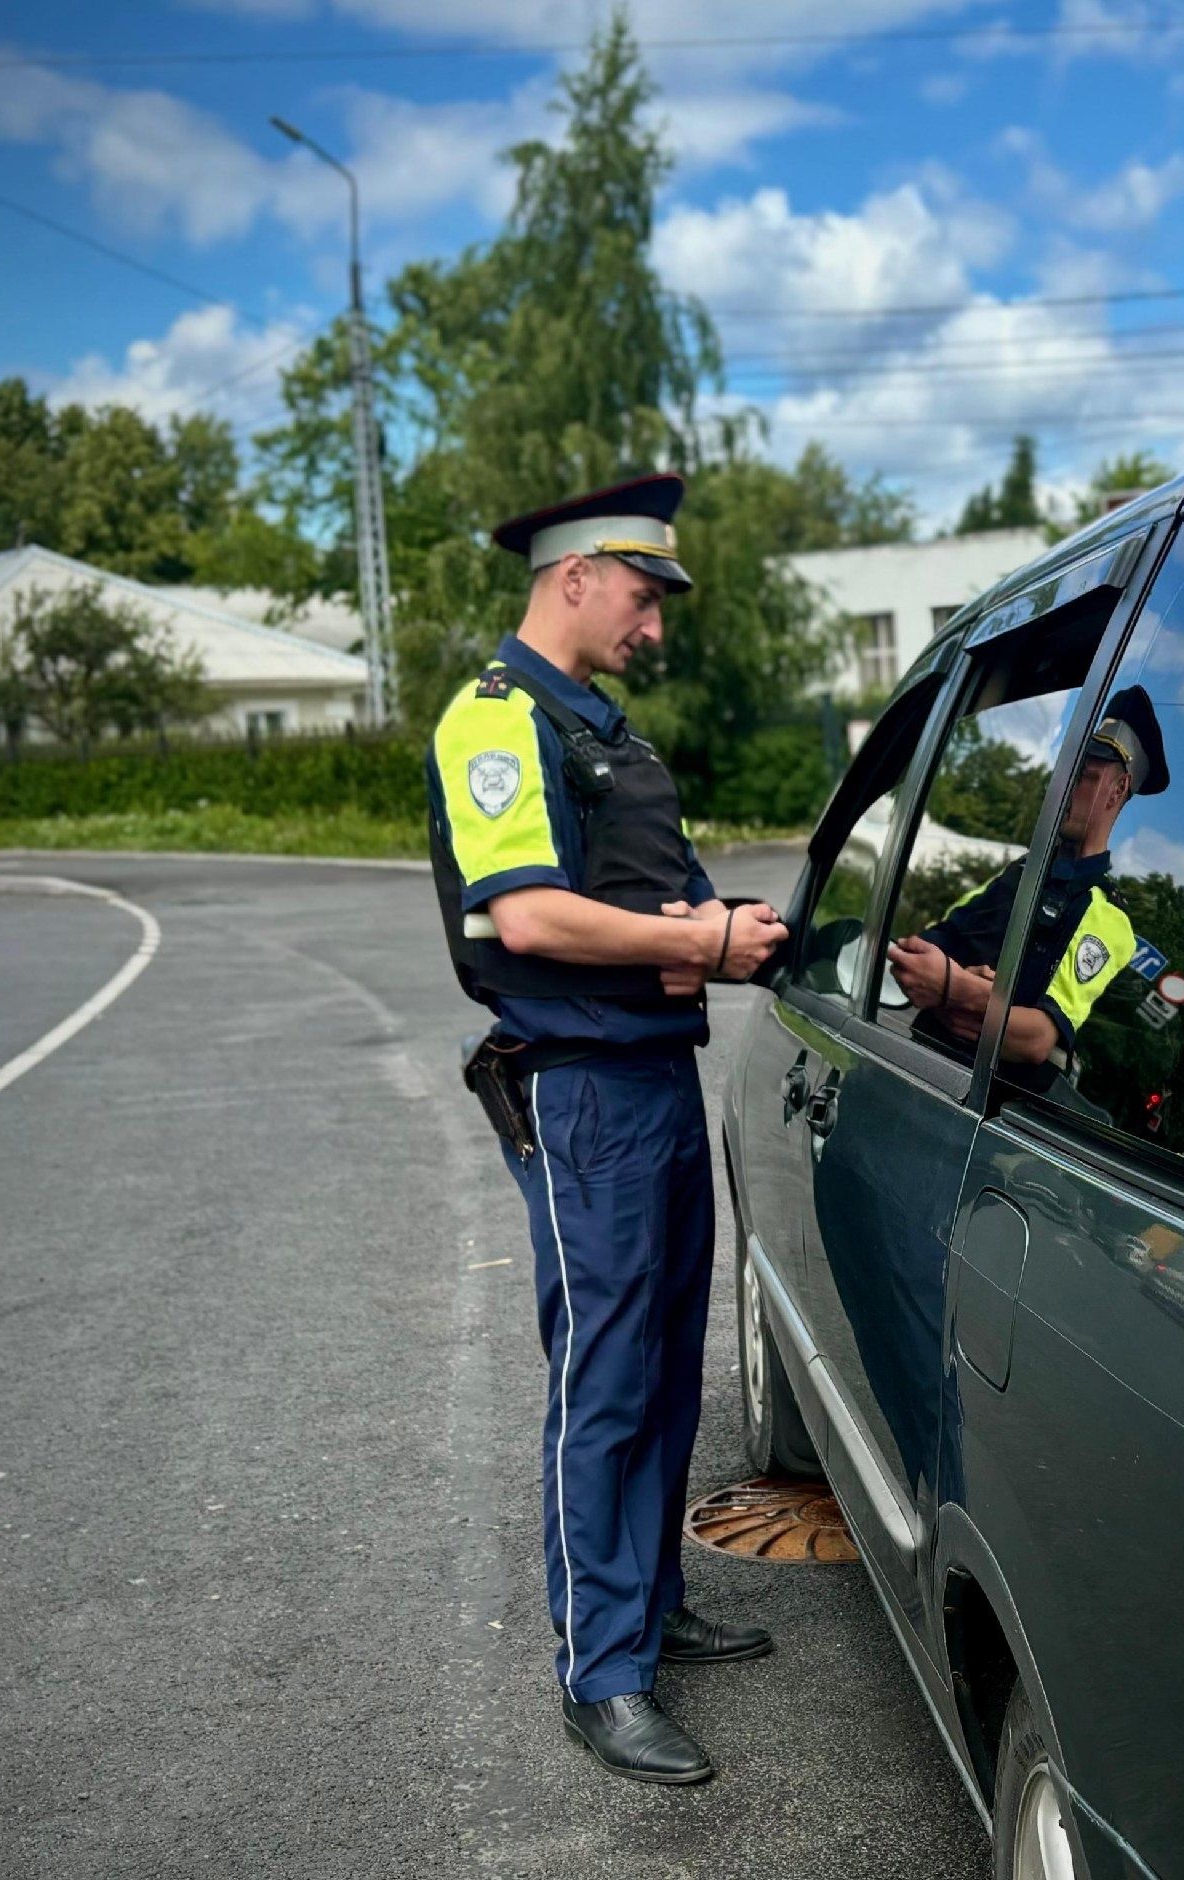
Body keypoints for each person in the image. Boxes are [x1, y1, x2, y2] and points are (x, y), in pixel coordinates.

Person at [425, 473, 787, 1787]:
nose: (654, 625)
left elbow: (655, 906)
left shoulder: (609, 736)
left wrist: (743, 938)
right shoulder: (497, 722)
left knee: (666, 1364)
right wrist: (700, 937)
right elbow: (527, 917)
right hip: (582, 1091)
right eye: (643, 597)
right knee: (607, 1378)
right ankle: (601, 1670)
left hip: (651, 1079)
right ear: (572, 577)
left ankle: (647, 1604)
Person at [885, 686, 1166, 1074]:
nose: (1066, 785)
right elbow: (937, 939)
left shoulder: (1107, 917)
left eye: (1084, 775)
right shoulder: (1023, 870)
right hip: (920, 1065)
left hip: (981, 1108)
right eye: (1069, 770)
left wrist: (954, 989)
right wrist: (978, 990)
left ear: (1117, 790)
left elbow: (1037, 1039)